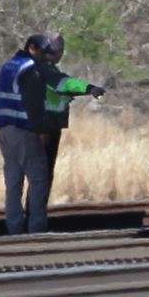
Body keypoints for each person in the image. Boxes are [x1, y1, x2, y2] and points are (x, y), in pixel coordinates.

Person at [0, 34, 104, 234]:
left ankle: (14, 229)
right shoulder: (32, 70)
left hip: (5, 130)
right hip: (26, 130)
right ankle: (36, 230)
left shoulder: (5, 68)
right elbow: (38, 101)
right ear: (33, 49)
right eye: (45, 53)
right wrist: (41, 131)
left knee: (13, 181)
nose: (48, 58)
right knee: (39, 179)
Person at [32, 33, 104, 204]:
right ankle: (35, 219)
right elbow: (63, 84)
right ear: (57, 51)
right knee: (42, 175)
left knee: (35, 176)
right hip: (46, 127)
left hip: (39, 125)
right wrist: (89, 88)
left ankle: (30, 217)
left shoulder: (32, 67)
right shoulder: (46, 70)